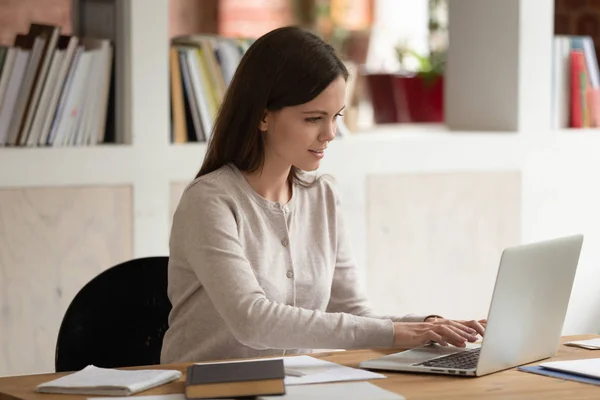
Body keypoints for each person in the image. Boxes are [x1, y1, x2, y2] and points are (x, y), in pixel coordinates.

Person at [160, 26, 486, 364]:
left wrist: (427, 326)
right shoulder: (210, 201)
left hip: (298, 383)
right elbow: (251, 320)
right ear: (262, 117)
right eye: (314, 118)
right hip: (205, 386)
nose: (330, 133)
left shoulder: (322, 196)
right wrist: (396, 332)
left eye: (336, 117)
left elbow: (352, 311)